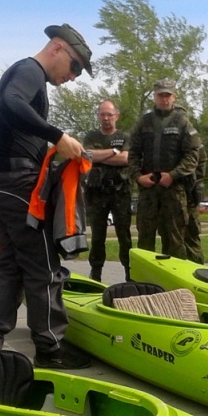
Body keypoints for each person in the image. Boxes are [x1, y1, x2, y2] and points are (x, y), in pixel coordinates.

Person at [0, 24, 93, 369]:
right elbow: (11, 104)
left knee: (11, 266)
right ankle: (51, 349)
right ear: (57, 47)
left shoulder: (29, 75)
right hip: (16, 185)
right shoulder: (29, 71)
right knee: (44, 267)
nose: (74, 76)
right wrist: (58, 136)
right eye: (75, 67)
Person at [127, 78, 201, 260]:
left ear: (174, 97)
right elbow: (133, 153)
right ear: (155, 97)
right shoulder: (144, 122)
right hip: (149, 189)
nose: (164, 99)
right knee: (145, 241)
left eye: (168, 95)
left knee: (175, 241)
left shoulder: (182, 122)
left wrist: (174, 175)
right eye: (161, 95)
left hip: (174, 190)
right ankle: (143, 285)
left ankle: (174, 284)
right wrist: (138, 177)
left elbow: (193, 155)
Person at [82, 99, 131, 282]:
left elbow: (126, 159)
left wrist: (100, 156)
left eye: (109, 114)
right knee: (97, 236)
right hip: (96, 193)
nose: (105, 118)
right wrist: (114, 152)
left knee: (124, 235)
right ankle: (96, 274)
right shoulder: (91, 137)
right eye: (102, 114)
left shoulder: (125, 137)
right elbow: (87, 156)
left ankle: (129, 273)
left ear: (116, 116)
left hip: (120, 192)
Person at [184, 144, 207, 264]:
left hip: (189, 199)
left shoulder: (196, 145)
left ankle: (198, 269)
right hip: (172, 197)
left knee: (192, 240)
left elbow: (199, 172)